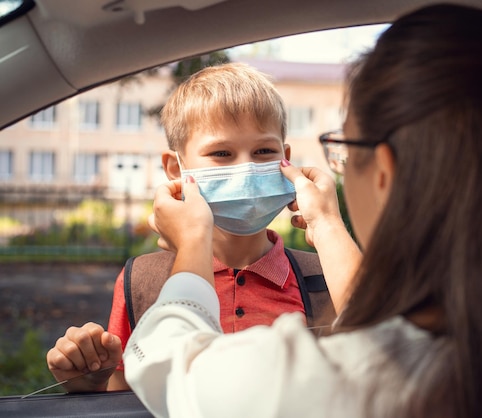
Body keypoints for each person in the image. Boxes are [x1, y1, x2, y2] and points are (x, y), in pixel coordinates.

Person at [123, 4, 482, 418]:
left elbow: (167, 362)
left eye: (345, 147)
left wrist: (191, 244)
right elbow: (380, 324)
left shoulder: (318, 381)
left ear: (383, 169)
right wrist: (328, 224)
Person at [45, 62, 335, 393]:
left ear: (285, 158)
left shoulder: (323, 278)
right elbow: (126, 394)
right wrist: (91, 379)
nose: (245, 168)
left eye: (263, 151)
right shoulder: (143, 280)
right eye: (222, 153)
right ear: (175, 167)